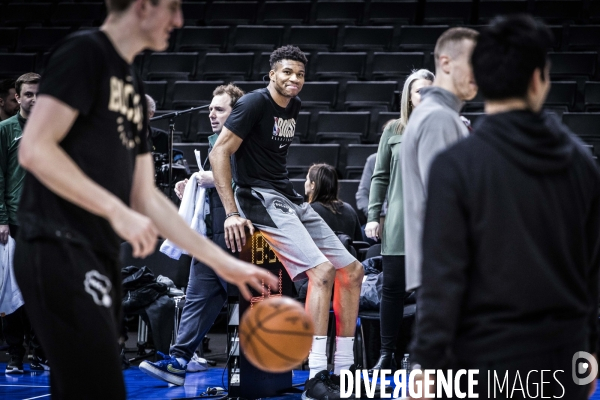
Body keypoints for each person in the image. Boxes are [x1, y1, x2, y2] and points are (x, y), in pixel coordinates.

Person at [13, 1, 276, 398]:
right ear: (142, 6)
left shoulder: (133, 88)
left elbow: (145, 195)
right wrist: (116, 209)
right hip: (56, 245)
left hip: (95, 253)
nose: (178, 20)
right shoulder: (86, 53)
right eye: (171, 8)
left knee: (94, 386)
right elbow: (35, 148)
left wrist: (225, 263)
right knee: (93, 383)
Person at [409, 15, 600, 399]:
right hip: (564, 358)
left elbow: (443, 277)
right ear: (538, 79)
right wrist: (588, 353)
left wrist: (427, 362)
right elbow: (592, 275)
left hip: (481, 362)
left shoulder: (457, 165)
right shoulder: (583, 165)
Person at [209, 45, 364, 400]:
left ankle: (343, 370)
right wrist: (233, 213)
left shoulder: (293, 106)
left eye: (300, 74)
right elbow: (220, 152)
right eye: (287, 73)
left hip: (287, 195)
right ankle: (315, 376)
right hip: (258, 197)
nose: (294, 79)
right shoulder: (253, 104)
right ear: (272, 75)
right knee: (322, 273)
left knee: (353, 271)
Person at [139, 83, 246, 385]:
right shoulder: (215, 142)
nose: (211, 113)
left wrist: (214, 179)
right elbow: (215, 183)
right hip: (210, 237)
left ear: (235, 112)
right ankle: (179, 360)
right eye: (210, 108)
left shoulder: (246, 143)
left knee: (247, 305)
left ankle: (257, 367)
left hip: (237, 239)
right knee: (197, 299)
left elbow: (250, 183)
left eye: (219, 109)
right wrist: (193, 186)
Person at [364, 69, 434, 374]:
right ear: (409, 96)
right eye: (419, 91)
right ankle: (387, 354)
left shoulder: (444, 128)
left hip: (435, 223)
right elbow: (379, 177)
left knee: (428, 293)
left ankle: (423, 357)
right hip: (398, 222)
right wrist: (372, 216)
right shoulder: (393, 130)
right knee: (391, 290)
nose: (425, 96)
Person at [401, 27, 479, 292]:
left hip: (442, 272)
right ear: (445, 63)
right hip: (447, 273)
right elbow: (444, 204)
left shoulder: (441, 115)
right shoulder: (438, 118)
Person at [0, 73, 48, 374]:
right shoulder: (5, 130)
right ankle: (16, 355)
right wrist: (2, 219)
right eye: (28, 94)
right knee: (12, 293)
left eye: (38, 94)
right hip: (14, 222)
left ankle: (40, 353)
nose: (34, 98)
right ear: (17, 97)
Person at [305, 163, 362, 242]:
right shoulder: (350, 210)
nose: (305, 183)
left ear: (313, 185)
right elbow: (359, 244)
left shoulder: (309, 210)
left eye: (307, 179)